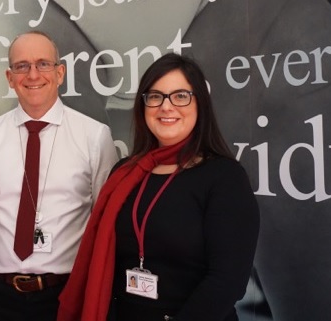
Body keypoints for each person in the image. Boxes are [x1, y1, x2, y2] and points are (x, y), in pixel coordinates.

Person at [57, 53, 260, 321]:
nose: (166, 107)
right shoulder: (124, 172)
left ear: (200, 104)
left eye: (180, 96)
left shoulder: (225, 178)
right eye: (155, 96)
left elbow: (227, 282)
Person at [0, 30, 119, 321]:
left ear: (60, 73)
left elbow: (103, 218)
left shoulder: (94, 136)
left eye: (43, 64)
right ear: (10, 78)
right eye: (22, 65)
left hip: (65, 294)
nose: (33, 74)